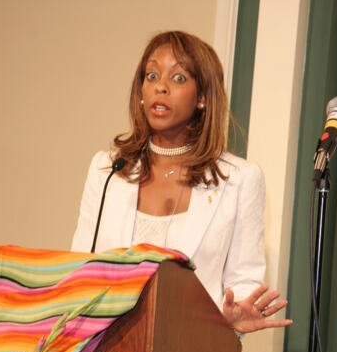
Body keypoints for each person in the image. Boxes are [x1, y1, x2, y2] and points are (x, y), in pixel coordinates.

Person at [72, 31, 292, 334]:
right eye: (151, 75)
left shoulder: (239, 180)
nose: (160, 87)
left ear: (202, 97)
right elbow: (78, 271)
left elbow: (242, 284)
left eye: (178, 78)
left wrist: (230, 322)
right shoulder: (107, 171)